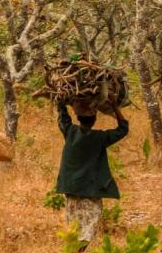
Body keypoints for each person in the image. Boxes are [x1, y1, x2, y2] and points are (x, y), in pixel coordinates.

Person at [56, 100, 129, 251]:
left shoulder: (70, 131)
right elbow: (123, 129)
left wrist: (62, 100)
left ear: (78, 118)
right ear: (95, 120)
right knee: (88, 228)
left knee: (74, 228)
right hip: (91, 191)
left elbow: (62, 115)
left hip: (72, 189)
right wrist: (115, 106)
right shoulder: (100, 138)